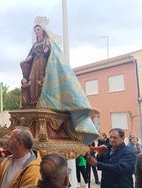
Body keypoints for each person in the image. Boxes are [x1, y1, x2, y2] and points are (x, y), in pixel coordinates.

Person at [20, 16, 98, 144]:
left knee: (40, 82)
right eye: (36, 30)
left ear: (43, 30)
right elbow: (31, 55)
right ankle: (33, 100)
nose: (37, 32)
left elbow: (50, 53)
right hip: (35, 64)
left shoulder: (47, 41)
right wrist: (26, 60)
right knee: (32, 81)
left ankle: (41, 100)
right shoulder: (35, 44)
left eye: (39, 29)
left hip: (43, 65)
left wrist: (46, 51)